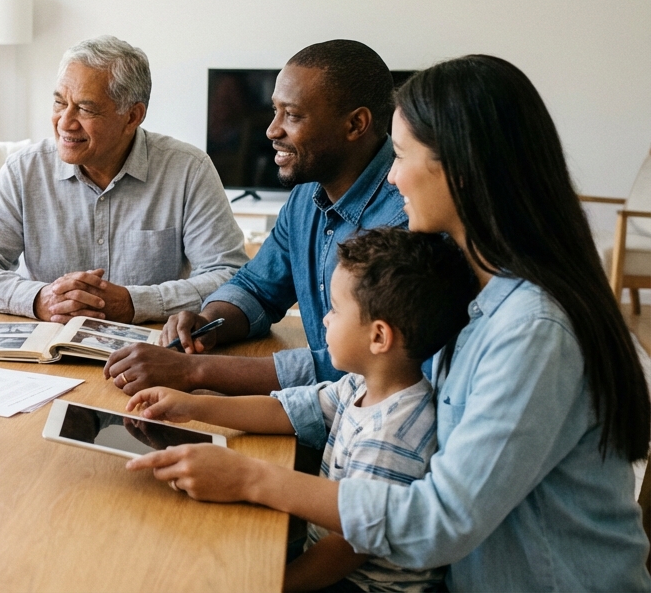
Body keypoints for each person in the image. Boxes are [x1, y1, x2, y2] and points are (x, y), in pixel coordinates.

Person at [125, 55, 651, 591]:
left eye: (400, 156)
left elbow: (436, 522)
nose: (392, 176)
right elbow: (345, 393)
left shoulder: (531, 328)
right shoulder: (469, 286)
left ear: (463, 169)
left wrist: (253, 478)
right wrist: (196, 405)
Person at [129, 227, 475, 592]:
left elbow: (348, 549)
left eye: (336, 310)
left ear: (379, 337)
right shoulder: (363, 383)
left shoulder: (396, 431)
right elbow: (286, 411)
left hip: (362, 584)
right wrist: (194, 405)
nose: (325, 319)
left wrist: (274, 586)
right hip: (330, 553)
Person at [105, 39, 406, 396]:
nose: (271, 130)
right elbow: (257, 287)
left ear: (356, 124)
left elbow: (355, 368)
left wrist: (196, 370)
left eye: (292, 115)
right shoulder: (305, 198)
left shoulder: (405, 219)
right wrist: (208, 322)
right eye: (275, 111)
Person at [0, 35, 247, 325]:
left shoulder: (188, 170)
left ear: (132, 117)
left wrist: (134, 303)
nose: (64, 122)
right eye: (59, 103)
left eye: (85, 108)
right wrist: (40, 298)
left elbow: (230, 275)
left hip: (148, 354)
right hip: (47, 350)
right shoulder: (24, 170)